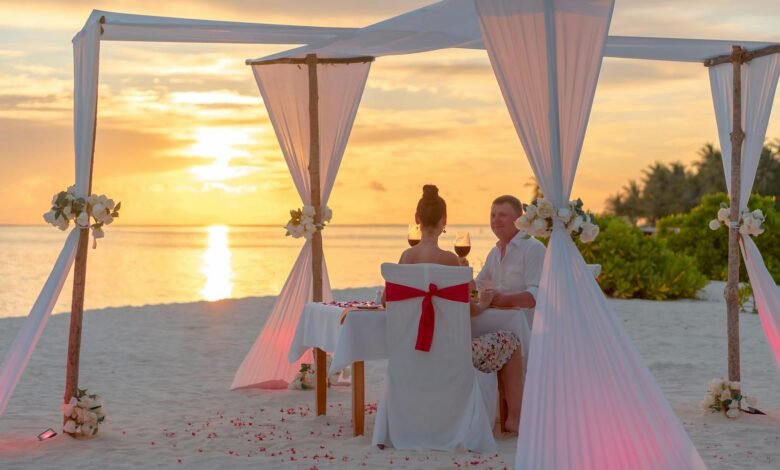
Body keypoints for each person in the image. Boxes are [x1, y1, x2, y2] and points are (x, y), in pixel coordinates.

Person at [396, 184, 524, 433]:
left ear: (417, 219)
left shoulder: (405, 258)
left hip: (414, 352)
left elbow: (388, 303)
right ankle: (514, 419)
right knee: (513, 342)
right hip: (452, 354)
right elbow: (470, 309)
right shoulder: (451, 261)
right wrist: (484, 302)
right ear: (444, 220)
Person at [476, 195, 546, 325]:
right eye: (493, 215)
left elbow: (537, 295)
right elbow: (478, 285)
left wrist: (506, 300)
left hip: (526, 329)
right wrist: (461, 271)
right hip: (497, 323)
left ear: (518, 220)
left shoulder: (533, 248)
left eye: (502, 215)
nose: (495, 220)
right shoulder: (494, 253)